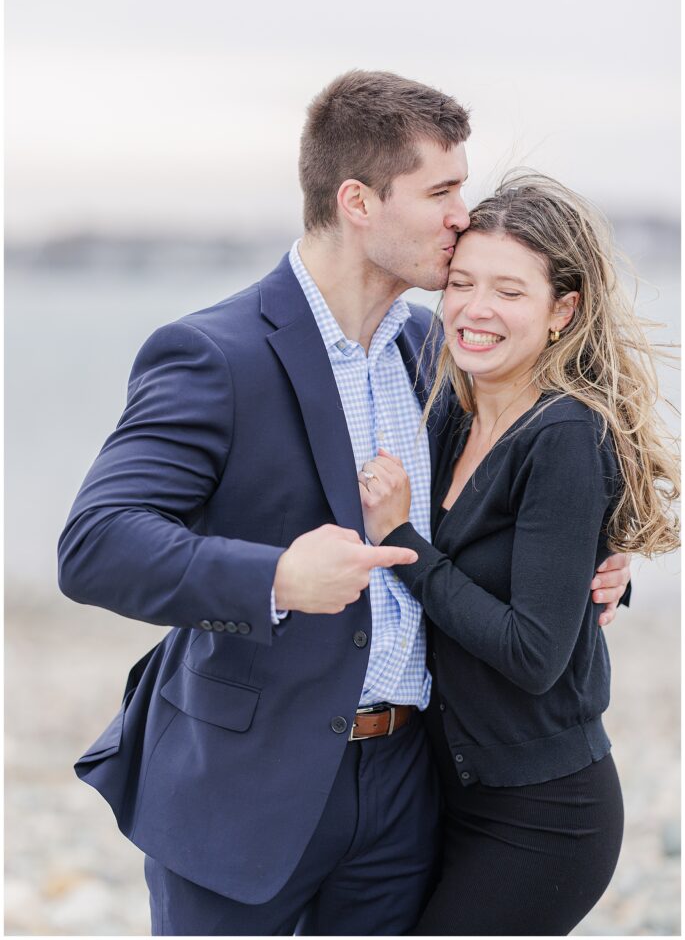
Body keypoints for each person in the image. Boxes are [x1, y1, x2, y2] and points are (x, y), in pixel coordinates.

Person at [57, 73, 630, 937]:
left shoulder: (432, 348)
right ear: (358, 200)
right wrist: (278, 577)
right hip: (245, 783)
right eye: (440, 191)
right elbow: (97, 544)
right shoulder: (217, 354)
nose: (459, 215)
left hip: (409, 781)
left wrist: (597, 576)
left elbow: (503, 512)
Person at [358, 171, 679, 936]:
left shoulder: (565, 436)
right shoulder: (446, 418)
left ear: (562, 310)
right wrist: (596, 576)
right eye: (461, 283)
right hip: (445, 787)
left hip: (541, 815)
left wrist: (402, 541)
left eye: (508, 290)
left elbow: (533, 653)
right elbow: (520, 565)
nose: (474, 309)